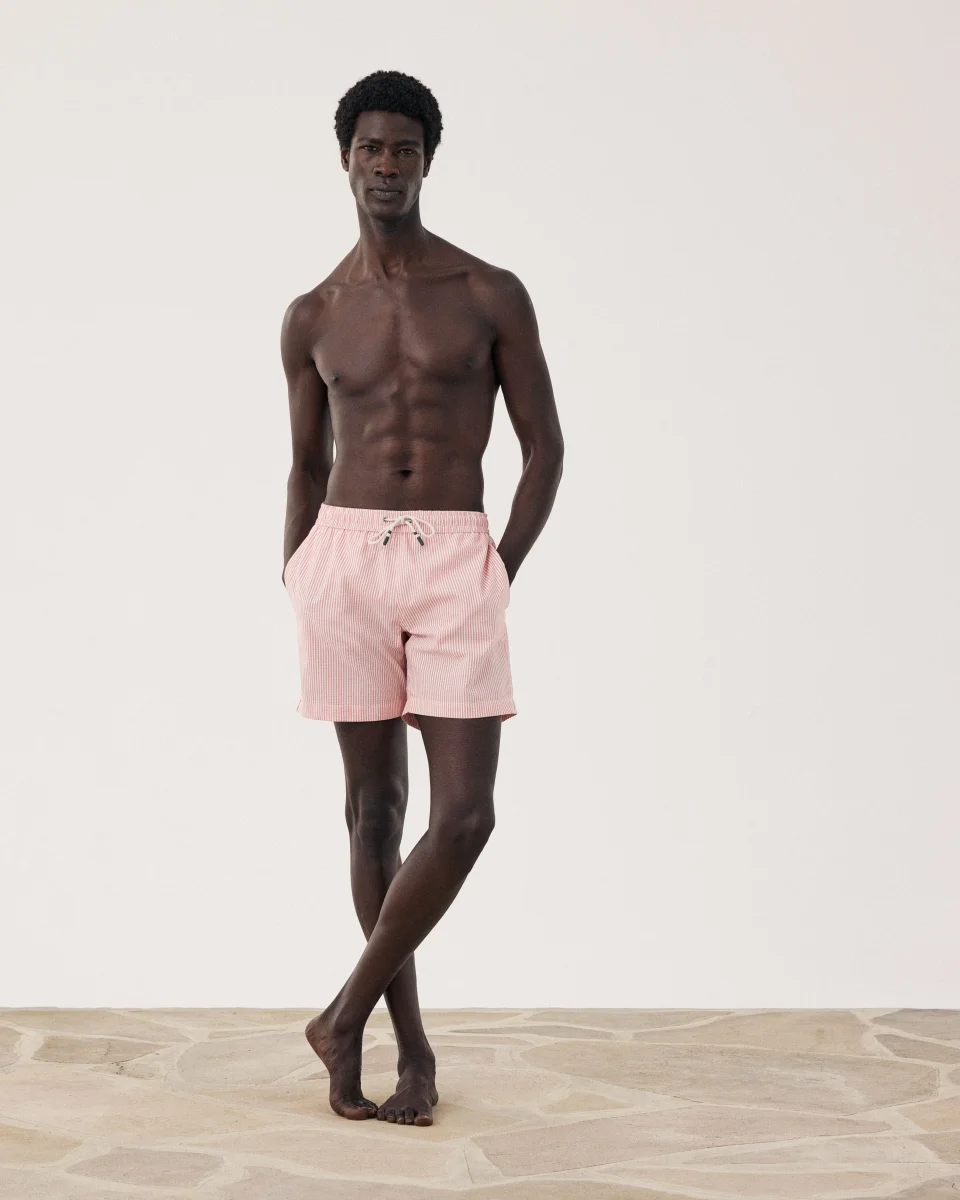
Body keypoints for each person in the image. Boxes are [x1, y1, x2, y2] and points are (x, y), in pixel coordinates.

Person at [280, 69, 564, 1127]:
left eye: (405, 148)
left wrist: (498, 568)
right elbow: (304, 464)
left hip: (456, 556)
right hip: (342, 561)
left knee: (465, 816)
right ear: (344, 159)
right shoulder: (313, 314)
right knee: (374, 813)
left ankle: (340, 1011)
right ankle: (408, 1049)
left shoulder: (489, 293)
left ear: (428, 161)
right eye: (372, 147)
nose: (387, 164)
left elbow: (545, 450)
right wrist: (296, 569)